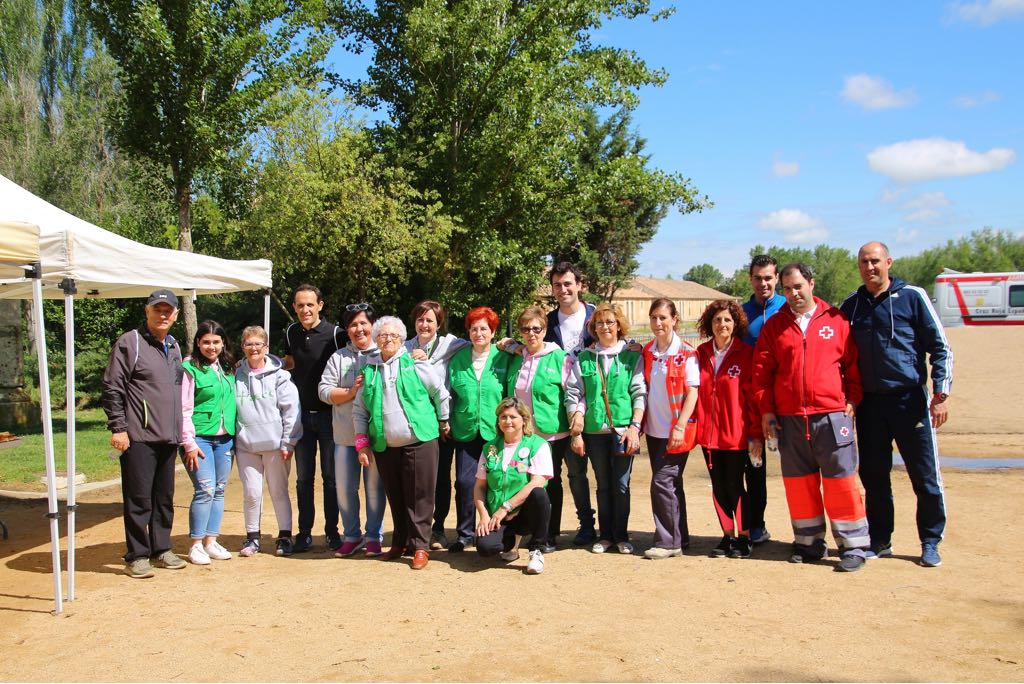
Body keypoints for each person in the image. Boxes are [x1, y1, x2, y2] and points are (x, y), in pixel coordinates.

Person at [841, 241, 952, 568]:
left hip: (910, 401)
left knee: (925, 476)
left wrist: (941, 394)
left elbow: (941, 349)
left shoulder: (912, 297)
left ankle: (930, 541)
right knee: (874, 477)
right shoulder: (852, 306)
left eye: (875, 261)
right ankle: (880, 540)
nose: (870, 267)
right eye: (864, 262)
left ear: (888, 262)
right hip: (870, 405)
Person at [753, 262, 869, 572]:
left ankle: (853, 545)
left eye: (798, 286)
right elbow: (762, 374)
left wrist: (853, 401)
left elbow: (852, 365)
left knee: (840, 483)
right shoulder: (774, 327)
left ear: (811, 284)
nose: (793, 293)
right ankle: (808, 542)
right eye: (788, 289)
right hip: (790, 420)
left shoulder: (835, 319)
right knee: (799, 485)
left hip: (831, 416)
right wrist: (767, 410)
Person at [102, 289, 188, 578]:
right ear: (147, 311)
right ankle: (137, 555)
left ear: (176, 314)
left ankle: (161, 549)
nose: (163, 314)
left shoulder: (174, 345)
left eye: (168, 310)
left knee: (164, 497)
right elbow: (113, 386)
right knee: (139, 499)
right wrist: (119, 427)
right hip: (139, 436)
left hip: (169, 435)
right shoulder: (131, 342)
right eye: (157, 309)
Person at [353, 316, 450, 570]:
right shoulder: (369, 369)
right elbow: (359, 410)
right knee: (396, 495)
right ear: (376, 340)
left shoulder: (416, 363)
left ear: (402, 339)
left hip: (420, 440)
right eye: (383, 336)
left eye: (393, 335)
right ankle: (400, 542)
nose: (387, 339)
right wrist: (362, 443)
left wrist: (444, 420)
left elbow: (439, 391)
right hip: (385, 445)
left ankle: (420, 546)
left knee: (420, 496)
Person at [565, 303, 646, 554]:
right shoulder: (585, 358)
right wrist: (576, 424)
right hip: (594, 431)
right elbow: (574, 392)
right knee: (603, 484)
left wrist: (634, 426)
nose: (605, 327)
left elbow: (639, 393)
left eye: (610, 322)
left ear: (619, 325)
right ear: (593, 328)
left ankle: (621, 535)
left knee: (621, 484)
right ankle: (606, 535)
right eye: (599, 323)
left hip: (623, 430)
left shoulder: (631, 356)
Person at [501, 306, 583, 552]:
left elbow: (574, 390)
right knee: (524, 481)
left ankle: (549, 534)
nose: (531, 333)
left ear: (545, 330)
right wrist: (507, 344)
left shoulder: (560, 357)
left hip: (551, 433)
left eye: (536, 328)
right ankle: (525, 530)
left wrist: (576, 422)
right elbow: (501, 345)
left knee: (550, 482)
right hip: (524, 434)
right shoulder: (518, 356)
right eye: (526, 329)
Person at [695, 300, 763, 559]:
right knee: (718, 487)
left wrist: (755, 433)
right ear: (709, 324)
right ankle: (727, 536)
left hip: (736, 436)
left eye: (727, 320)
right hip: (709, 437)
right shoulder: (700, 354)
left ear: (735, 324)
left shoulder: (746, 354)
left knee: (735, 486)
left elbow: (754, 399)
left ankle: (744, 537)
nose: (722, 325)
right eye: (717, 320)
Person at [318, 303, 386, 558]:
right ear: (347, 330)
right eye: (353, 325)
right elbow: (323, 391)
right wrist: (350, 392)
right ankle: (351, 535)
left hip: (377, 437)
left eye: (363, 323)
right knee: (345, 489)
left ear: (373, 325)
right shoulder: (339, 358)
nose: (359, 329)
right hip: (345, 438)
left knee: (374, 489)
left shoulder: (385, 353)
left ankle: (373, 536)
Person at [282, 284, 346, 553]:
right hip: (301, 418)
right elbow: (287, 367)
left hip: (330, 418)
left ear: (320, 305)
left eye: (310, 304)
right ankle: (304, 533)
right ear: (295, 307)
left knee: (331, 478)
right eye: (299, 305)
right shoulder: (290, 332)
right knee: (303, 479)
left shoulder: (336, 335)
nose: (305, 310)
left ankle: (333, 532)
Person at [405, 300, 469, 550]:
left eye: (430, 320)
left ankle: (439, 529)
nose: (424, 324)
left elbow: (481, 342)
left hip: (445, 424)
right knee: (417, 480)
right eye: (421, 319)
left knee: (441, 477)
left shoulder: (450, 344)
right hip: (414, 425)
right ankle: (415, 529)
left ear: (439, 324)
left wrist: (511, 344)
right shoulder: (404, 346)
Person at [446, 306, 510, 552]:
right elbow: (450, 394)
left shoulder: (504, 357)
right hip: (465, 430)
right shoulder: (458, 359)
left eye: (484, 328)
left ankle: (494, 528)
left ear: (493, 332)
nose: (479, 333)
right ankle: (464, 533)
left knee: (494, 480)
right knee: (463, 482)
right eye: (474, 329)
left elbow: (510, 393)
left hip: (495, 433)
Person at [640, 298, 700, 560]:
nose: (658, 323)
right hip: (654, 431)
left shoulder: (686, 352)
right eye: (654, 318)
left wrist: (680, 425)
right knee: (671, 483)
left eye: (663, 317)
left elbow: (693, 392)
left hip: (676, 431)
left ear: (675, 319)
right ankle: (680, 536)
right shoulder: (647, 351)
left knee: (661, 482)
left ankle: (668, 542)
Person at [235, 326, 302, 557]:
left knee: (278, 491)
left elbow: (291, 410)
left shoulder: (281, 376)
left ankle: (284, 536)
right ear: (243, 347)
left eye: (258, 344)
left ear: (266, 347)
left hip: (275, 445)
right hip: (246, 446)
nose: (253, 348)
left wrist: (288, 442)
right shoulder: (236, 375)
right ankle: (252, 537)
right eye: (248, 344)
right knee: (252, 492)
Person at [180, 320, 237, 565]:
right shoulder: (189, 368)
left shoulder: (227, 368)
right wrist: (188, 443)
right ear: (197, 343)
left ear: (223, 343)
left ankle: (211, 541)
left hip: (225, 439)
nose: (211, 347)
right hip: (199, 438)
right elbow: (183, 408)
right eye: (206, 342)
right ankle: (195, 544)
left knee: (219, 490)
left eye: (215, 342)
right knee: (204, 489)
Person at [474, 397, 552, 575]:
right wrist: (484, 515)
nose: (507, 421)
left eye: (513, 417)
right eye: (503, 417)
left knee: (539, 494)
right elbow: (479, 486)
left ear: (524, 420)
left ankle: (536, 550)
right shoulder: (489, 448)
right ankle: (511, 544)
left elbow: (538, 481)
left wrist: (506, 506)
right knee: (485, 548)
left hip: (524, 512)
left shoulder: (537, 445)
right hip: (498, 516)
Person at [740, 254, 783, 545]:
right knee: (754, 466)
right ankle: (755, 524)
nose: (763, 283)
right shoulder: (742, 314)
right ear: (750, 279)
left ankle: (810, 532)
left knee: (799, 466)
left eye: (768, 277)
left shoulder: (787, 307)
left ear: (776, 278)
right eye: (758, 277)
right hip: (752, 403)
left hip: (787, 400)